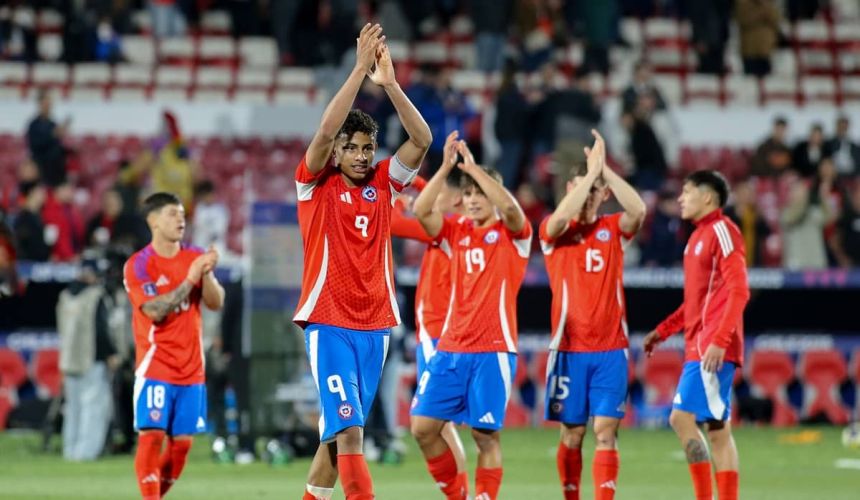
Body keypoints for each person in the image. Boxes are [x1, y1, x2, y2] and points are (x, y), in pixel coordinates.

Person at [293, 23, 431, 500]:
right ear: (336, 152)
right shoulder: (314, 185)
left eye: (367, 147)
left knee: (335, 441)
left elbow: (422, 138)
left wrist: (389, 84)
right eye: (350, 147)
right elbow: (327, 129)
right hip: (328, 321)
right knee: (352, 434)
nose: (358, 154)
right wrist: (357, 72)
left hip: (375, 326)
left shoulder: (384, 184)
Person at [411, 140, 532, 500]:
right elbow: (420, 210)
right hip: (451, 348)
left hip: (493, 349)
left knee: (484, 436)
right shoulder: (455, 232)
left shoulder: (514, 237)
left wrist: (476, 169)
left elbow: (511, 208)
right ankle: (458, 495)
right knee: (422, 427)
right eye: (469, 194)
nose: (474, 200)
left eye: (481, 193)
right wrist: (447, 168)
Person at [539, 130, 646, 500]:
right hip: (568, 350)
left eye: (595, 190)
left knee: (605, 431)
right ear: (571, 189)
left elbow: (639, 211)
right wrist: (588, 179)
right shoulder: (555, 233)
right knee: (572, 433)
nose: (587, 196)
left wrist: (605, 171)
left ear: (604, 195)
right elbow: (557, 219)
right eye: (580, 189)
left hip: (610, 350)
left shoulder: (613, 230)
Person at [643, 170, 749, 500]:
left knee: (680, 418)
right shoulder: (696, 237)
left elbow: (739, 290)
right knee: (717, 430)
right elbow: (695, 302)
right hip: (699, 342)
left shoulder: (723, 230)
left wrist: (719, 340)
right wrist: (664, 330)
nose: (680, 198)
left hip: (711, 345)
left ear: (707, 197)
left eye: (687, 192)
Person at [123, 192, 225, 499]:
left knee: (182, 446)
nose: (180, 219)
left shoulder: (193, 256)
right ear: (153, 221)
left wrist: (205, 275)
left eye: (182, 214)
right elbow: (155, 310)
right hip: (156, 364)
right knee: (152, 437)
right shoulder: (139, 265)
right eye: (171, 214)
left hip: (192, 369)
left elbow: (216, 303)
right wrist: (190, 277)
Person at [390, 132, 469, 491]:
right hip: (431, 333)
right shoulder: (446, 230)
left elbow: (391, 221)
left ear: (455, 199)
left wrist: (400, 188)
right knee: (440, 425)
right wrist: (418, 181)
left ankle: (461, 493)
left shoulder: (445, 231)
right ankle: (462, 493)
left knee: (433, 424)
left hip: (440, 334)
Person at [58, 252, 119, 461]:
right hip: (91, 359)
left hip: (68, 359)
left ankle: (70, 450)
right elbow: (100, 330)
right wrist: (111, 353)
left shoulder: (65, 295)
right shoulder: (96, 295)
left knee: (73, 408)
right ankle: (85, 453)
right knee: (93, 407)